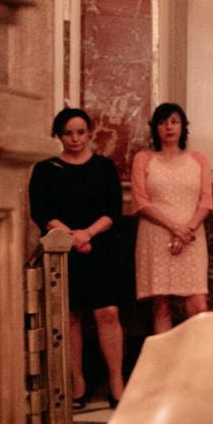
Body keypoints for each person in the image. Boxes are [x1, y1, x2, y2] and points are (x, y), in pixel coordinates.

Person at [28, 107, 126, 405]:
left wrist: (87, 234)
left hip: (101, 248)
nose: (75, 138)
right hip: (62, 249)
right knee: (70, 316)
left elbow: (113, 210)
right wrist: (70, 236)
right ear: (58, 135)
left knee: (108, 312)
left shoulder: (104, 167)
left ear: (89, 133)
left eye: (80, 132)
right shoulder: (46, 168)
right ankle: (77, 383)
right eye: (68, 133)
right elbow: (41, 211)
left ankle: (116, 382)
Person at [131, 102, 212, 335]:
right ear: (155, 128)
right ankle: (166, 366)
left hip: (192, 236)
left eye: (174, 121)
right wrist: (176, 228)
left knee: (198, 304)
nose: (169, 127)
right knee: (161, 306)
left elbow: (206, 202)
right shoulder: (144, 158)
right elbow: (141, 202)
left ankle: (199, 362)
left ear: (183, 127)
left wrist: (187, 230)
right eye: (163, 122)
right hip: (156, 236)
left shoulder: (198, 159)